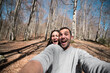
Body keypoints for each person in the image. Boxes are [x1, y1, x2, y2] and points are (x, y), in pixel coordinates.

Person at [19, 27, 110, 73]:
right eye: (60, 34)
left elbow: (93, 63)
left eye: (66, 34)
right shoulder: (52, 48)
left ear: (71, 37)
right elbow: (40, 60)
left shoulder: (78, 53)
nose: (62, 37)